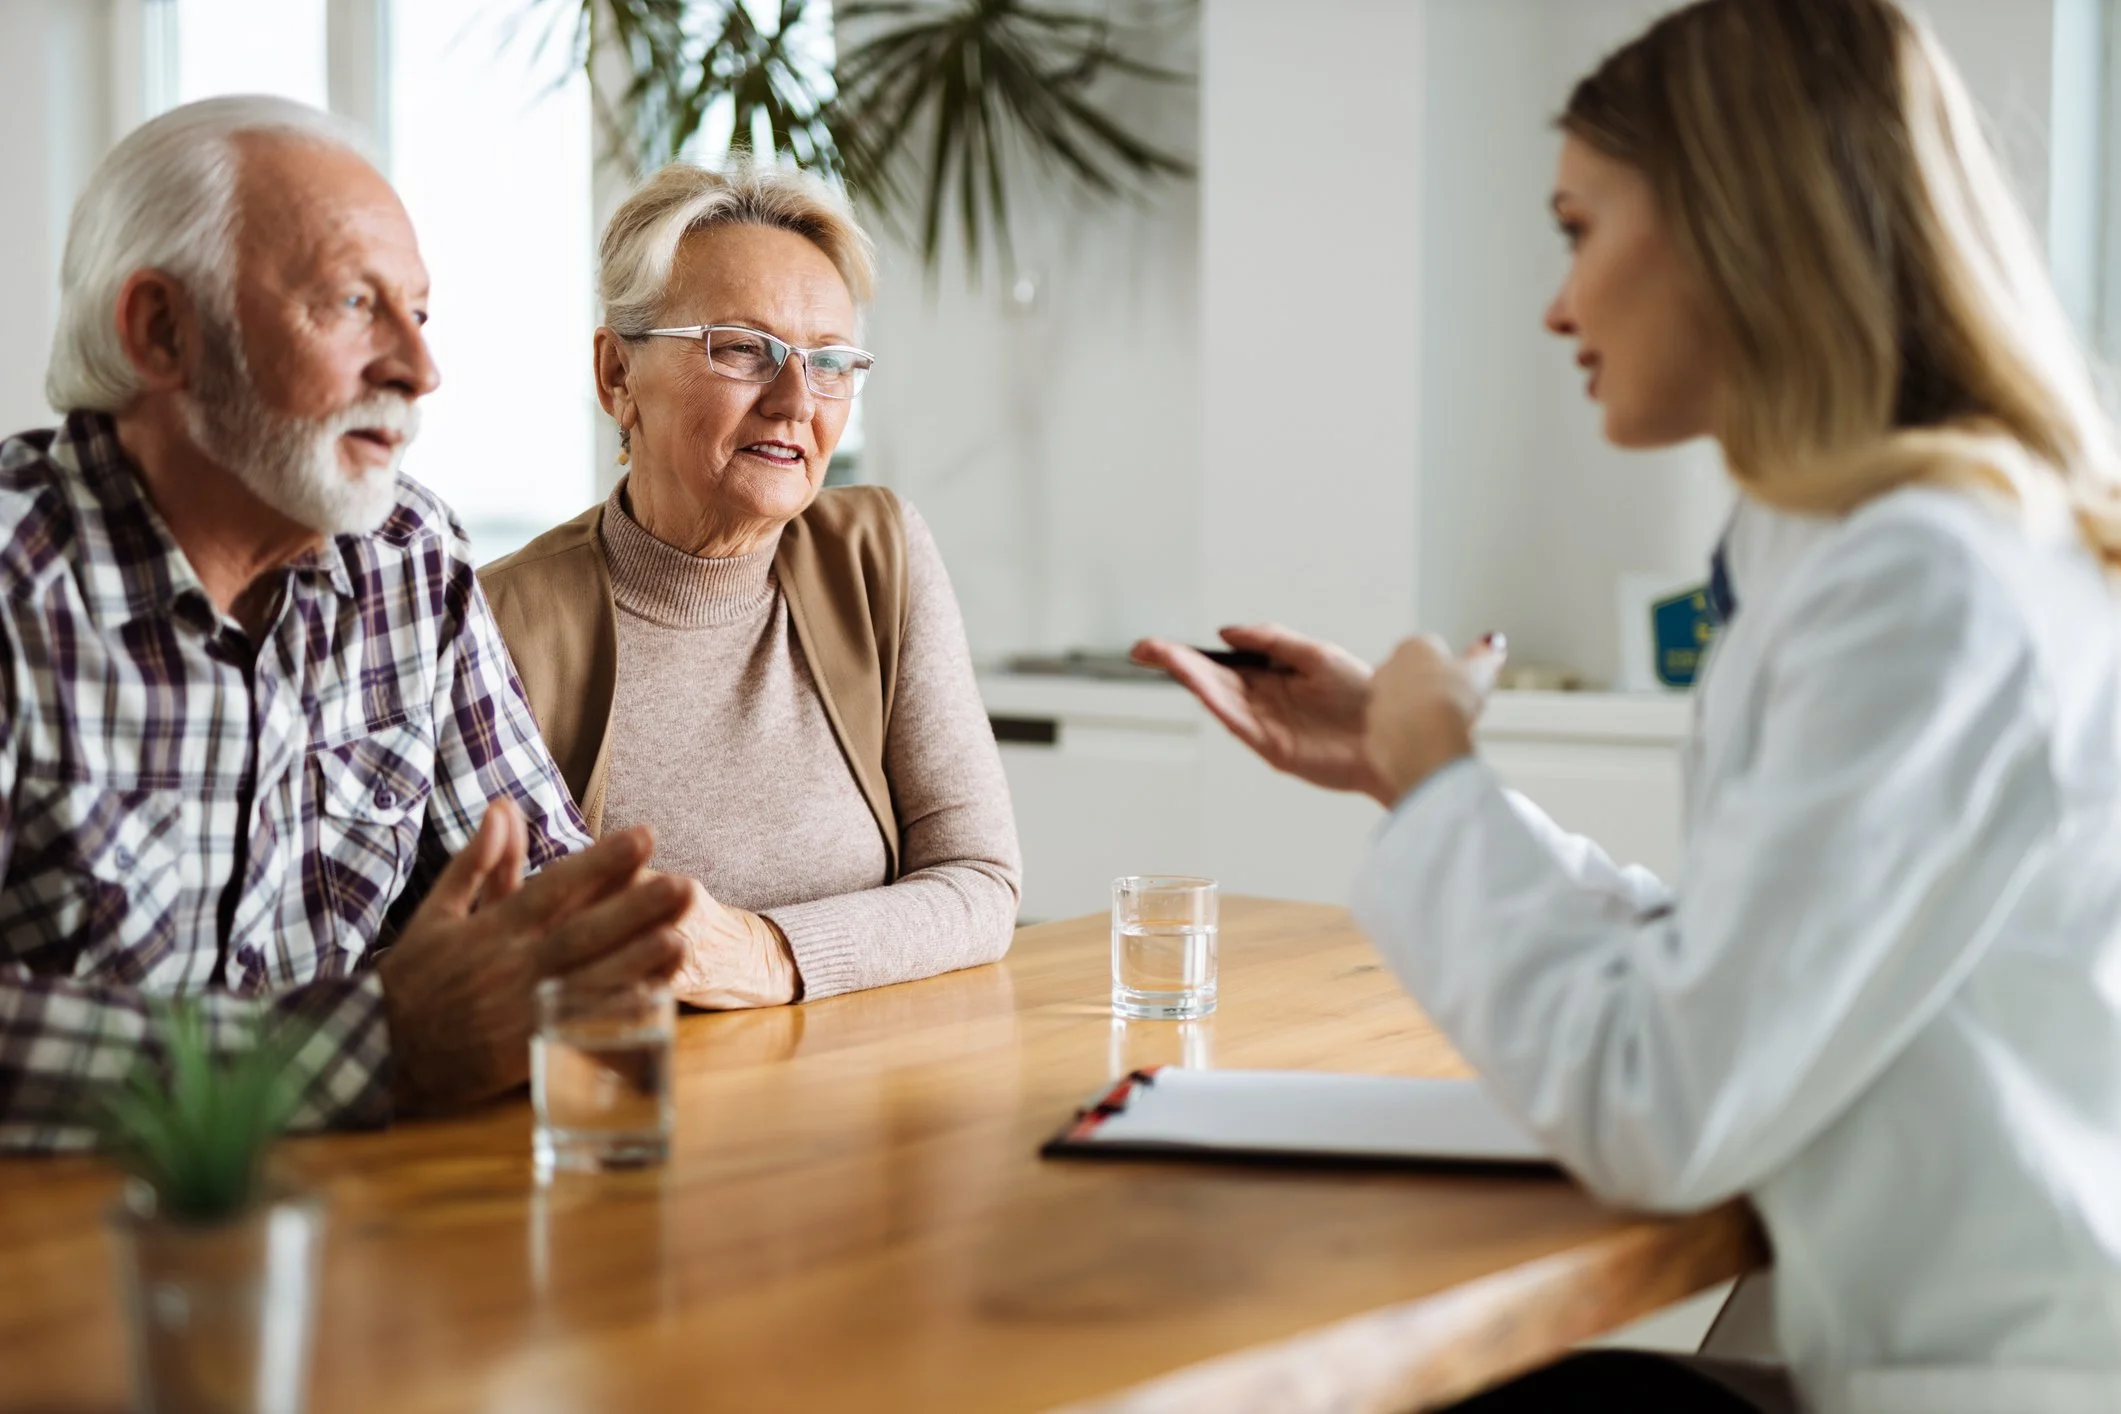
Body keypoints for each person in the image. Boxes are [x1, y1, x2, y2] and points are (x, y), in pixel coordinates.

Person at [1137, 0, 2121, 1409]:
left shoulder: (1928, 582)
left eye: (1578, 229)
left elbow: (1662, 1102)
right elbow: (1727, 964)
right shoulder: (1892, 548)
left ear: (1738, 225)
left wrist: (1444, 774)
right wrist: (1408, 772)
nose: (1555, 304)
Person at [0, 96, 692, 1153]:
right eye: (351, 304)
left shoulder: (408, 556)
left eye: (419, 311)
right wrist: (366, 1047)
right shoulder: (17, 580)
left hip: (359, 1237)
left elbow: (557, 911)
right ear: (161, 331)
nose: (418, 370)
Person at [480, 164, 1020, 1009]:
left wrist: (770, 955)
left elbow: (980, 884)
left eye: (830, 360)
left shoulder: (879, 555)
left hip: (867, 1098)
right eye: (741, 349)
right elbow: (478, 950)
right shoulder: (495, 622)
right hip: (638, 1110)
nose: (796, 399)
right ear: (616, 375)